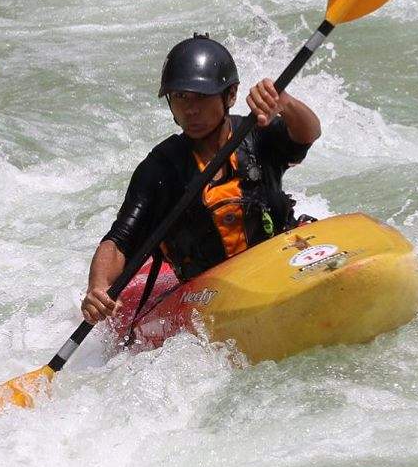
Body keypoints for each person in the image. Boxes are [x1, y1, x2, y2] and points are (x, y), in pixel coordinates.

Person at [81, 34, 322, 329]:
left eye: (202, 97)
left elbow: (307, 133)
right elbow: (119, 242)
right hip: (212, 294)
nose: (190, 109)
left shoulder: (256, 135)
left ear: (230, 95)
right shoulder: (160, 168)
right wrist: (97, 287)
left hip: (277, 264)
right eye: (181, 97)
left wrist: (283, 102)